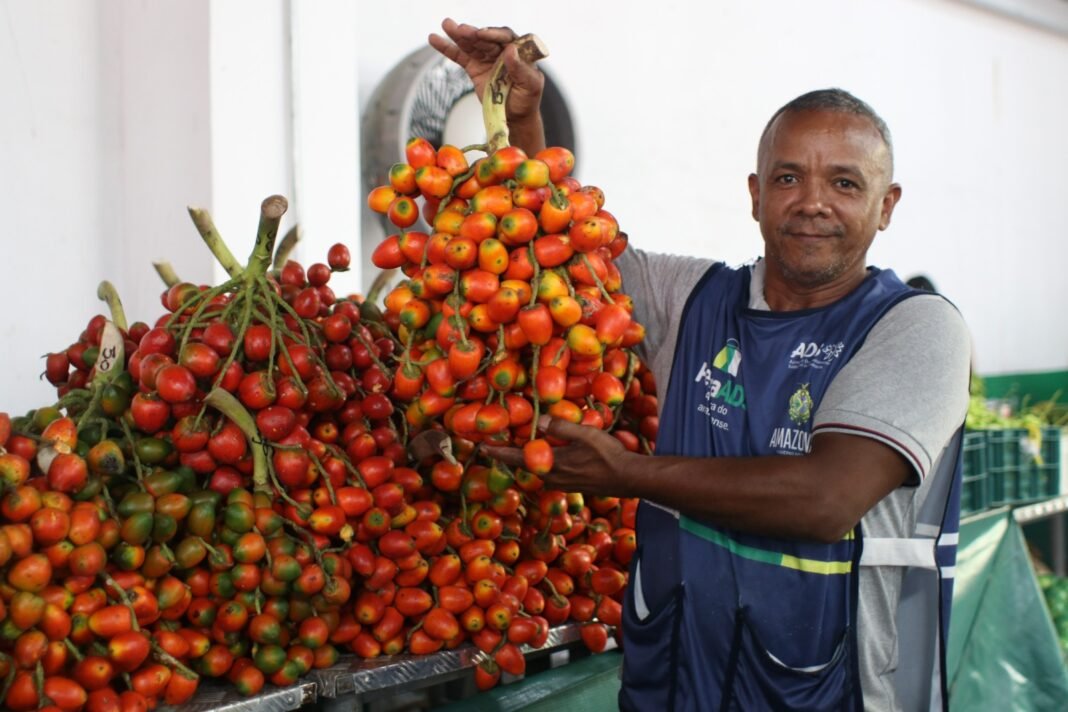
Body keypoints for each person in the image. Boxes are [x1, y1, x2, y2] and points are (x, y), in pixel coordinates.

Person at [430, 19, 972, 712]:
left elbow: (825, 500)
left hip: (835, 694)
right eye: (788, 177)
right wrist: (518, 113)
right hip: (673, 685)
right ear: (754, 194)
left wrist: (625, 475)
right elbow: (555, 247)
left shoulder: (917, 327)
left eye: (844, 182)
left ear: (886, 206)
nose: (812, 202)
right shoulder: (692, 298)